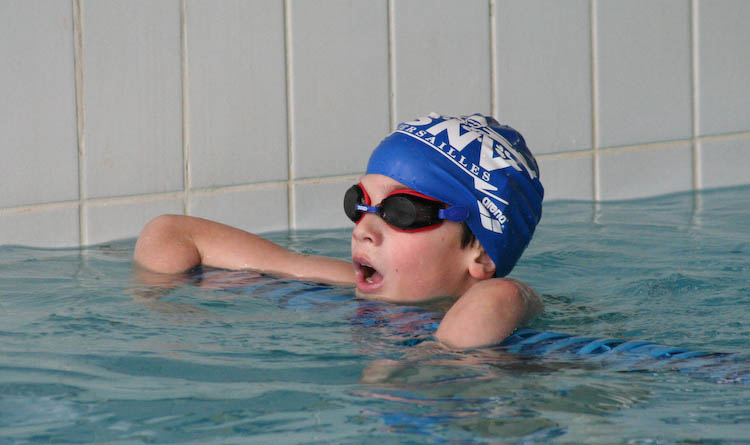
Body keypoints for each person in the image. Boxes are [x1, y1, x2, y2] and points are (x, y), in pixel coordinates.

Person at [133, 112, 545, 349]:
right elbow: (172, 232)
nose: (364, 229)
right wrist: (158, 305)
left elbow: (498, 298)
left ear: (481, 254)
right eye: (358, 203)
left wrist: (428, 360)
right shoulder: (345, 282)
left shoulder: (506, 301)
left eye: (401, 212)